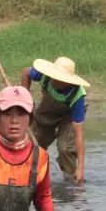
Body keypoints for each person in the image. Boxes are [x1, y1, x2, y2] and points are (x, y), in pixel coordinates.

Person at [20, 56, 89, 184]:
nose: (55, 80)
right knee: (30, 144)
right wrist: (25, 99)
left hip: (68, 118)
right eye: (54, 77)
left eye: (60, 79)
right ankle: (28, 176)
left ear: (68, 81)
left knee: (65, 149)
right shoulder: (45, 75)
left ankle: (71, 181)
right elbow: (26, 72)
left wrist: (81, 168)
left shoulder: (77, 95)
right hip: (46, 113)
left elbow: (78, 134)